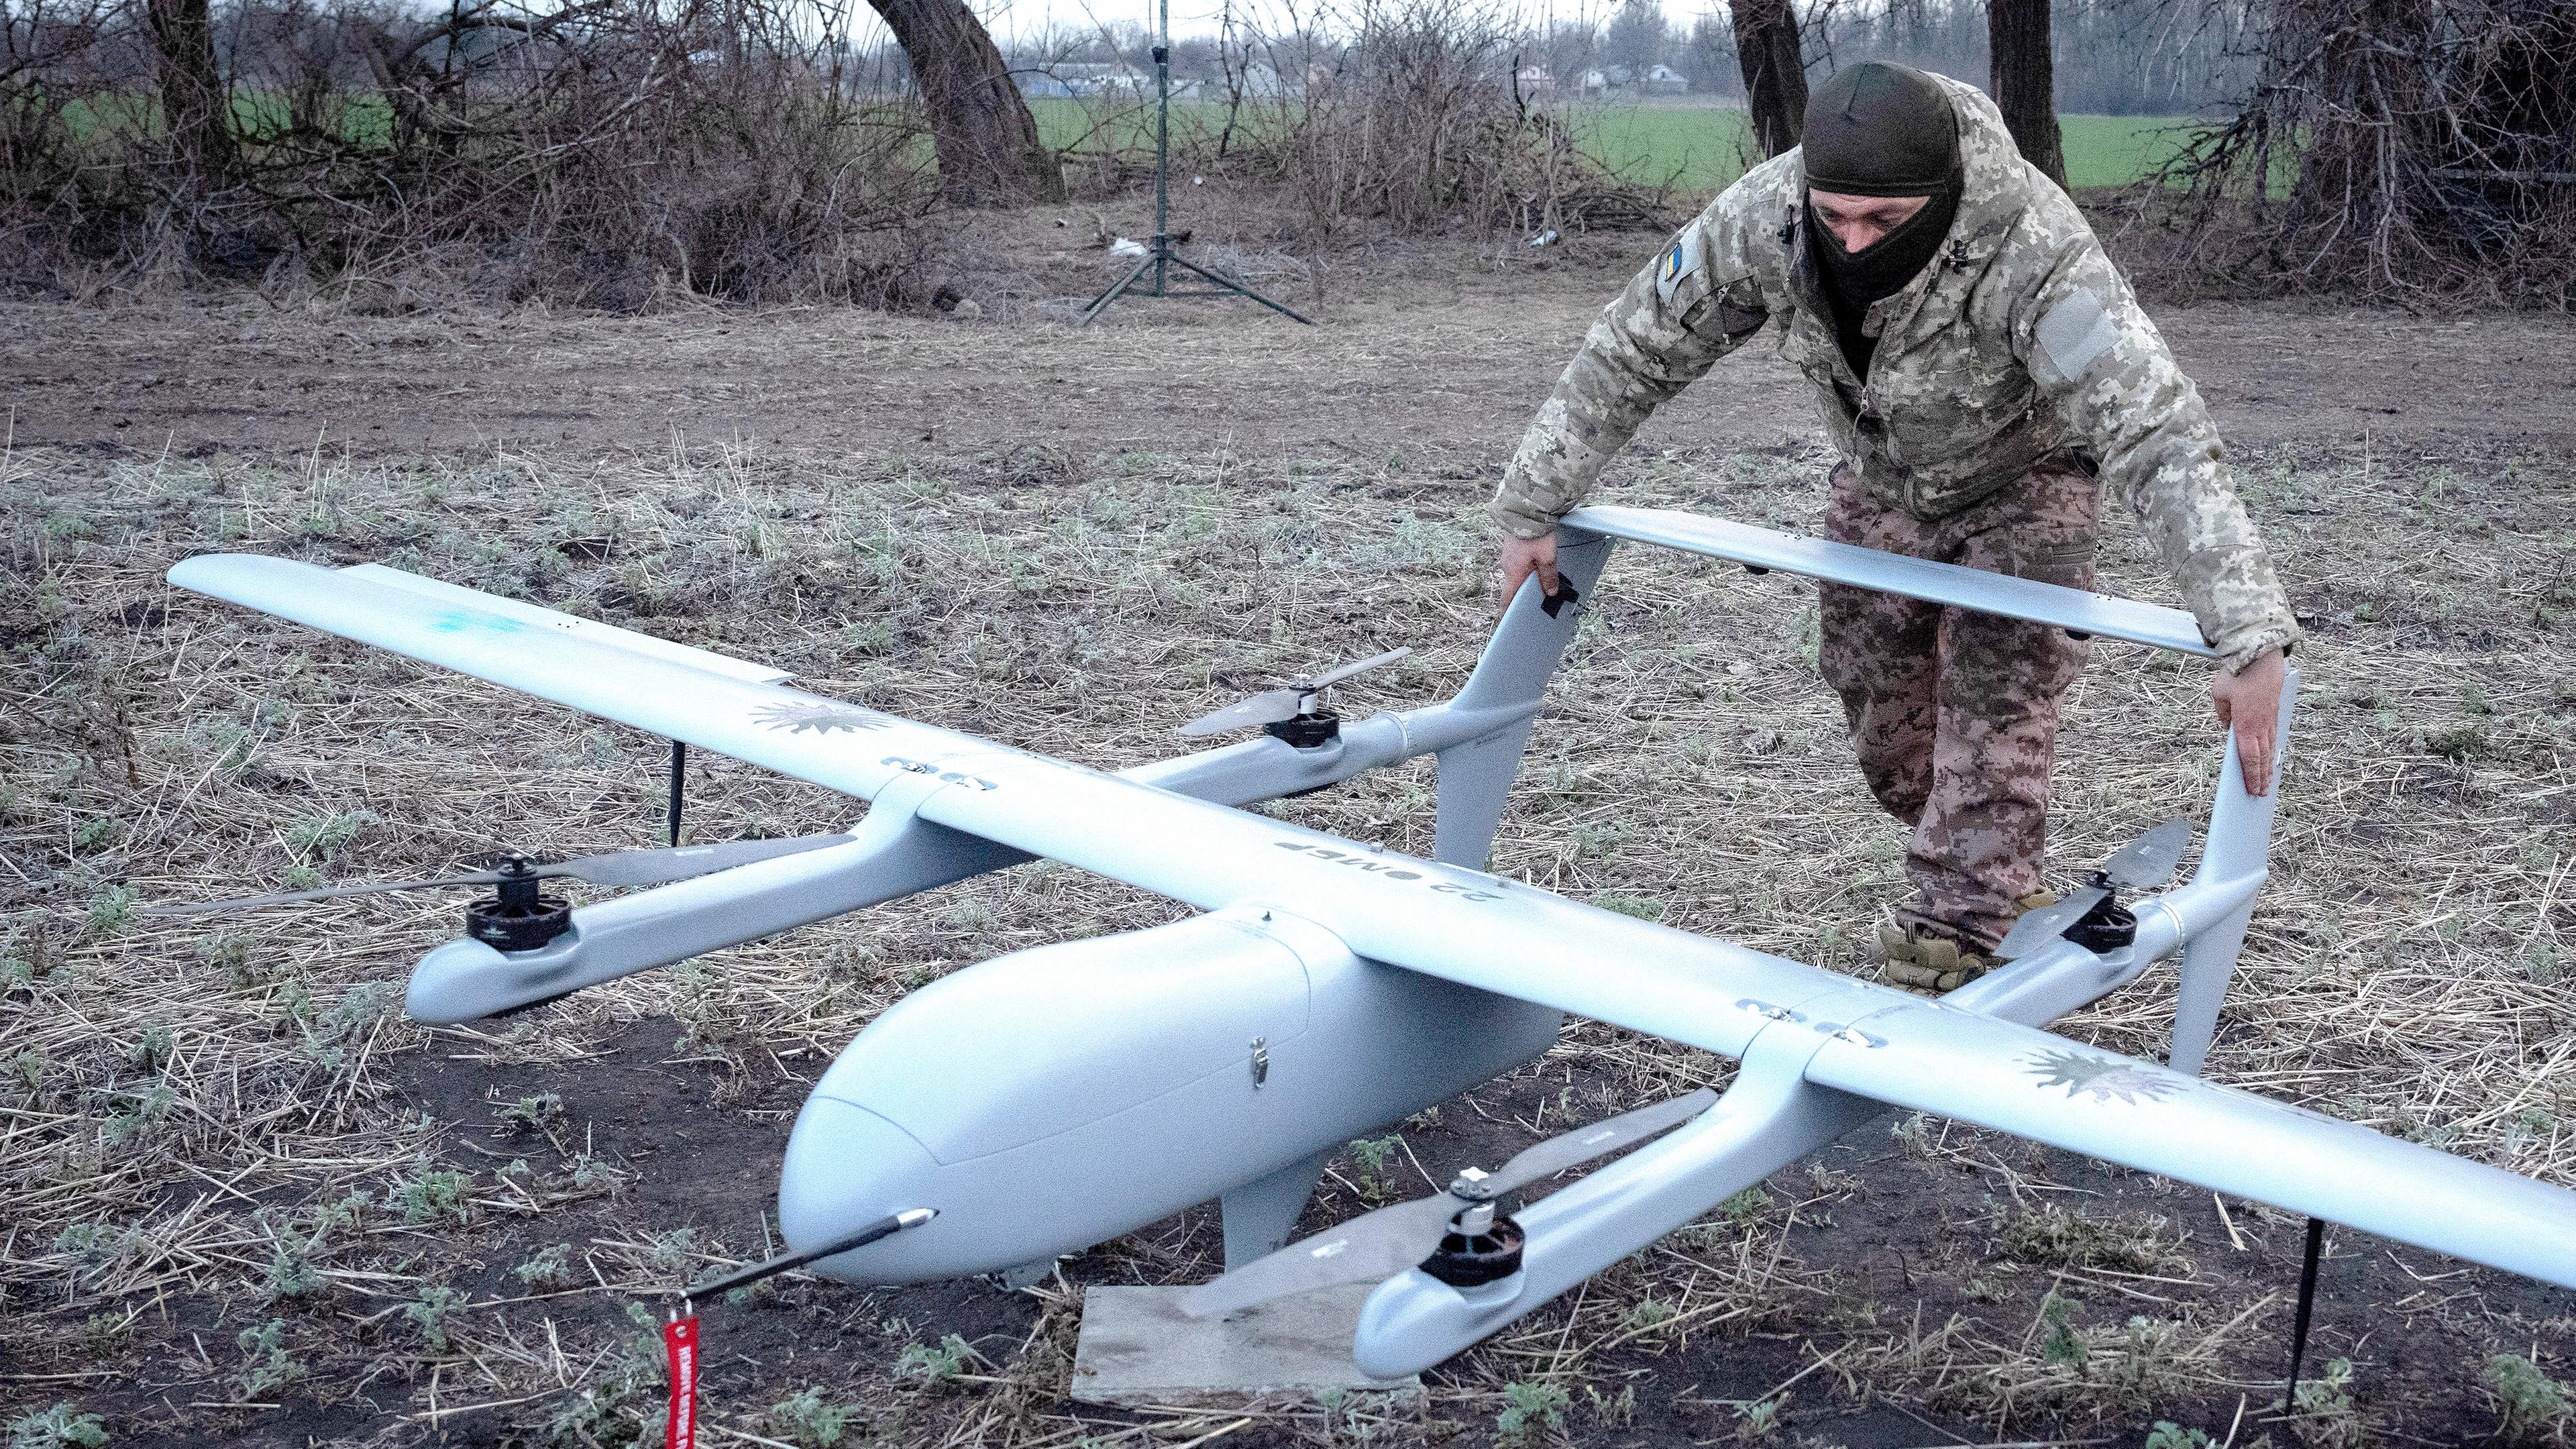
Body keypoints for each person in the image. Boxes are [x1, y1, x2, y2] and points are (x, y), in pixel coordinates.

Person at [1489, 62, 2298, 994]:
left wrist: (2245, 632)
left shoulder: (2032, 250)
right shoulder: (1766, 218)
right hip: (1880, 481)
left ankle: (1947, 944)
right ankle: (1991, 866)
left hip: (2026, 485)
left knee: (1993, 720)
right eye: (1836, 217)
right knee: (1887, 727)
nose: (1855, 240)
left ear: (1943, 196)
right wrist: (1530, 505)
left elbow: (2155, 431)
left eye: (1884, 221)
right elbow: (1637, 344)